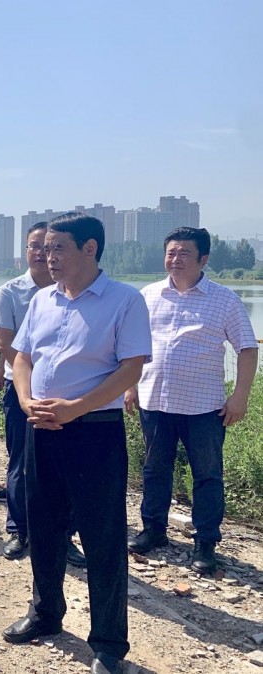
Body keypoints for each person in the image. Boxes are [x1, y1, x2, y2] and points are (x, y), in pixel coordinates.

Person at [2, 212, 151, 674]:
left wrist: (76, 407)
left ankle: (108, 643)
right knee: (44, 526)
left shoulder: (124, 300)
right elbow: (22, 357)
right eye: (45, 248)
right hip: (41, 428)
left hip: (94, 432)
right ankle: (46, 612)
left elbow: (131, 369)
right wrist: (25, 401)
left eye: (58, 248)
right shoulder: (43, 299)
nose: (48, 257)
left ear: (90, 249)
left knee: (102, 538)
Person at [125, 227, 258, 573]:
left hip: (204, 407)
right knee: (155, 469)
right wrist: (130, 386)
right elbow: (134, 346)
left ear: (204, 259)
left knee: (207, 475)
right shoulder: (148, 295)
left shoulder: (224, 299)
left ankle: (205, 542)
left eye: (184, 253)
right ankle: (154, 529)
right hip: (155, 400)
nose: (175, 259)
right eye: (171, 252)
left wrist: (240, 396)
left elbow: (247, 348)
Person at [0, 222, 86, 568]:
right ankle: (19, 529)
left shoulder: (77, 293)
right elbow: (7, 346)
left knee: (65, 466)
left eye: (51, 247)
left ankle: (64, 536)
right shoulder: (10, 292)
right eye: (35, 246)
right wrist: (29, 394)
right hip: (23, 394)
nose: (43, 254)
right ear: (26, 251)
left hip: (67, 401)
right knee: (21, 462)